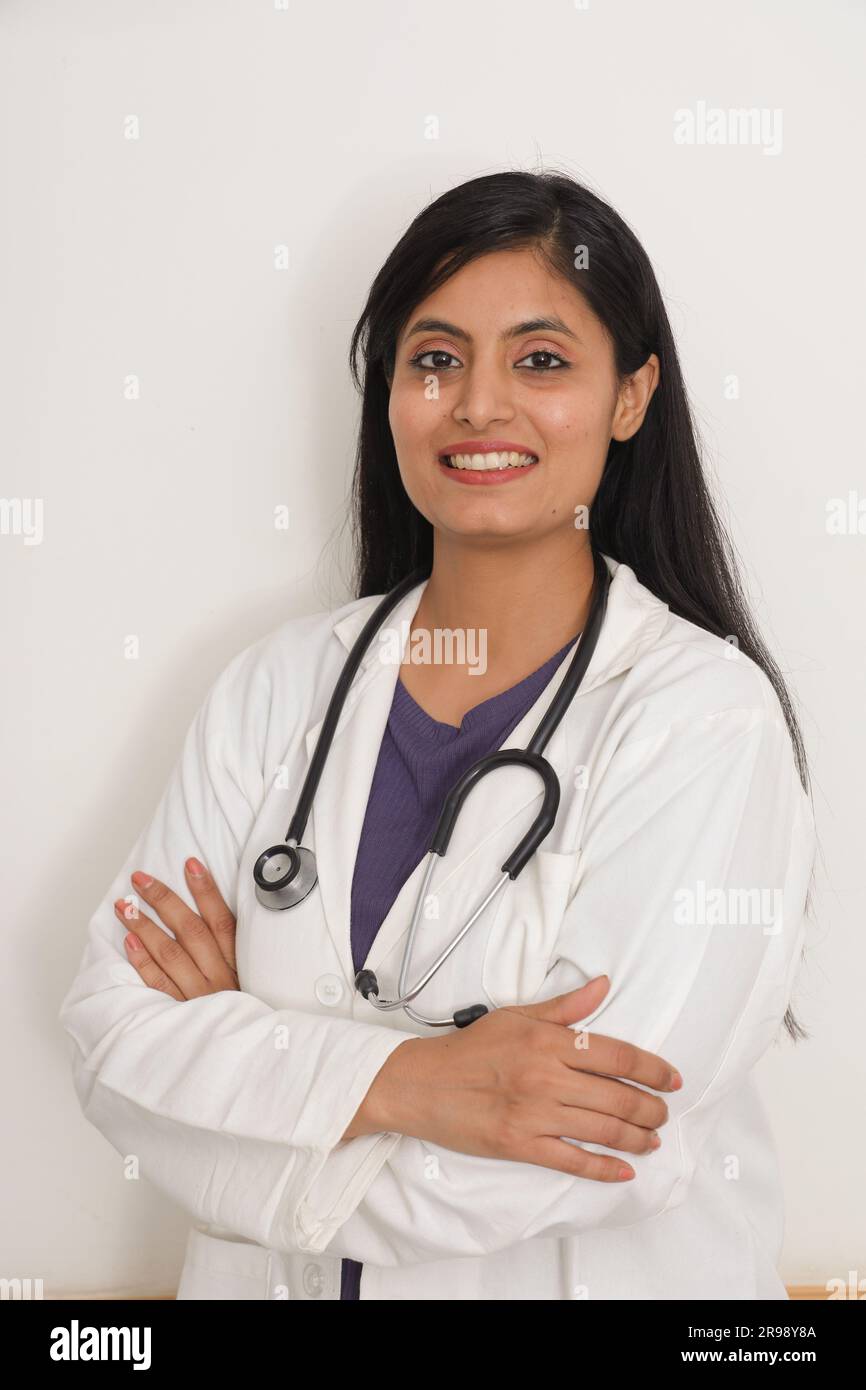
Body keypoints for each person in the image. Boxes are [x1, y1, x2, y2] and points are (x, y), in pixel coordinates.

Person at [59, 169, 816, 1301]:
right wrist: (417, 1080)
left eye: (541, 359)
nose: (478, 406)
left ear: (629, 394)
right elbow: (114, 1045)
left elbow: (581, 1152)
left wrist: (244, 1067)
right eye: (435, 358)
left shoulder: (701, 721)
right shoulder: (274, 689)